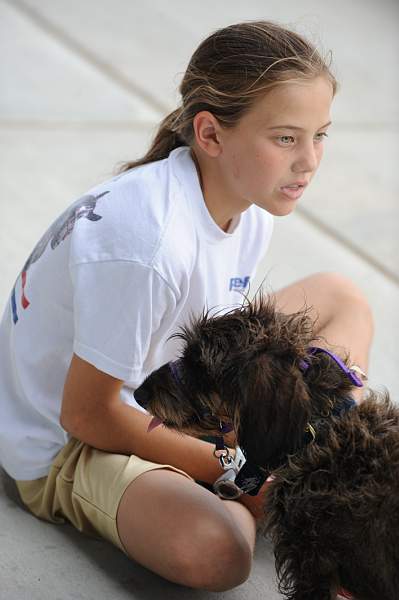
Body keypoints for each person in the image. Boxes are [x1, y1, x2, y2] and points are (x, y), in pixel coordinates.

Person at [0, 20, 373, 592]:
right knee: (216, 552)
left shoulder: (242, 202)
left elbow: (214, 333)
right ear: (210, 133)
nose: (309, 161)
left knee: (342, 295)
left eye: (319, 135)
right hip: (69, 440)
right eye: (285, 138)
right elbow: (88, 415)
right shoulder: (146, 247)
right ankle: (263, 488)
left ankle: (306, 442)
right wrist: (233, 472)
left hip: (160, 375)